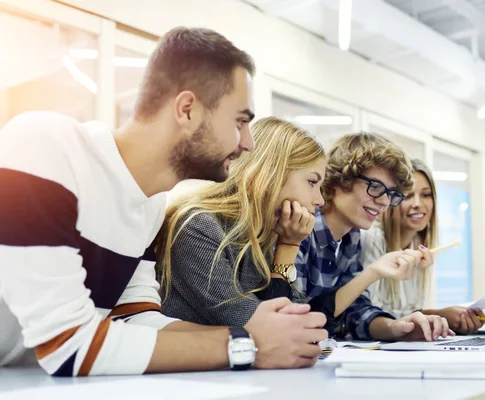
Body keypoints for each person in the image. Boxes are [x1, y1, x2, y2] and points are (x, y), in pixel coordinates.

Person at [0, 26, 326, 376]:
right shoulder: (43, 145)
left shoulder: (151, 203)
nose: (248, 143)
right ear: (187, 109)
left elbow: (136, 319)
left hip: (33, 383)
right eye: (240, 122)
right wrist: (245, 345)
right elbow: (68, 345)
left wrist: (256, 336)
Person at [156, 117, 423, 335]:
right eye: (312, 182)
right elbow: (265, 324)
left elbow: (294, 315)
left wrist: (287, 245)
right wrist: (290, 245)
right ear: (273, 174)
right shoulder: (198, 226)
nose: (319, 199)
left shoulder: (271, 234)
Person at [295, 133, 455, 342]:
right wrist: (372, 272)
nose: (384, 202)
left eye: (391, 193)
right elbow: (298, 320)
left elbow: (354, 313)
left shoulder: (350, 238)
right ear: (338, 180)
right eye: (376, 187)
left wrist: (398, 327)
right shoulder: (299, 229)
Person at [361, 158, 485, 334]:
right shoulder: (372, 238)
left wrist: (442, 318)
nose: (418, 204)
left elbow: (407, 311)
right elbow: (367, 315)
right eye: (408, 195)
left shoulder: (419, 246)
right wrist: (437, 314)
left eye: (426, 195)